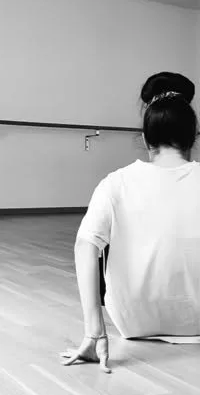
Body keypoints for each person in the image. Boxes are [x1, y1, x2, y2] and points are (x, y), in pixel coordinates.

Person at [62, 72, 200, 373]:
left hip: (133, 321)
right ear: (194, 136)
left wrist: (94, 332)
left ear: (146, 138)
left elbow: (85, 247)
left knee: (96, 238)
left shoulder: (116, 183)